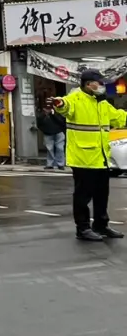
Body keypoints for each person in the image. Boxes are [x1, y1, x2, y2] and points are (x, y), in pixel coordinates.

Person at [54, 69, 127, 241]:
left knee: (102, 195)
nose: (102, 85)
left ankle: (101, 225)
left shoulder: (101, 102)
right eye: (99, 83)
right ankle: (83, 228)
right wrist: (59, 103)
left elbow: (117, 118)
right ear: (88, 84)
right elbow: (65, 106)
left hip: (101, 158)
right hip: (82, 158)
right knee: (83, 196)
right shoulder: (75, 98)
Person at [37, 101, 67, 170]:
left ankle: (60, 164)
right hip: (48, 133)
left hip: (58, 132)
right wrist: (44, 130)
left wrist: (53, 115)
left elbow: (61, 122)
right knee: (49, 149)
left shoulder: (58, 113)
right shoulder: (42, 115)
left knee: (60, 148)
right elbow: (39, 123)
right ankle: (50, 164)